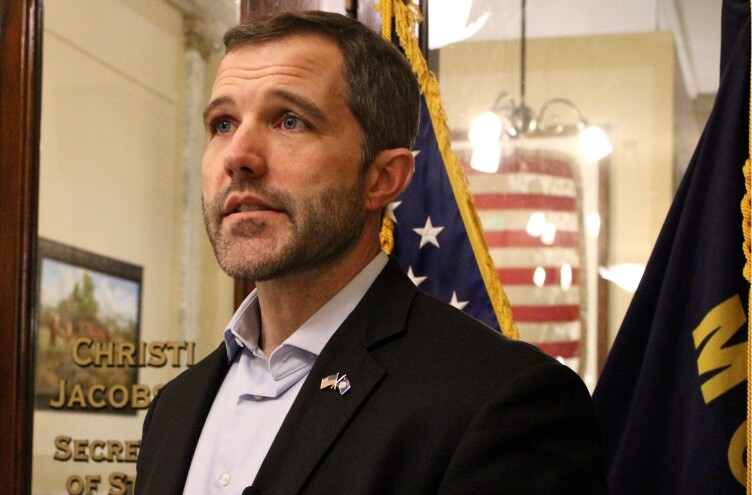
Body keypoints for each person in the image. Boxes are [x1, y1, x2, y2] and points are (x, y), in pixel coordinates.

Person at [136, 10, 606, 494]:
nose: (239, 155)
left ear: (382, 178)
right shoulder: (174, 408)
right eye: (223, 123)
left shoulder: (499, 401)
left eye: (290, 121)